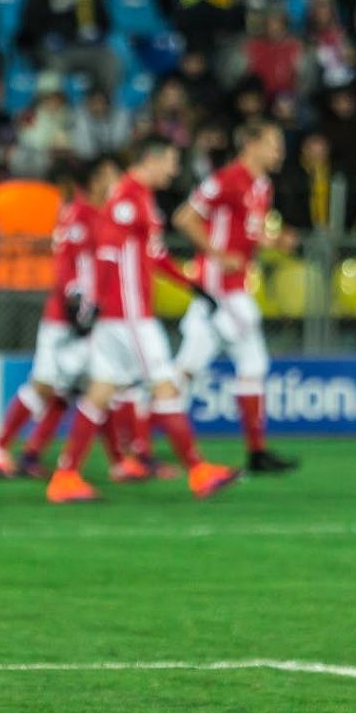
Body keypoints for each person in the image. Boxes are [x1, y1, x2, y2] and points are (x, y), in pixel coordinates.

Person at [45, 137, 238, 504]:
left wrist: (191, 286)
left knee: (101, 391)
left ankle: (65, 476)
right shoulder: (128, 197)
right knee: (165, 386)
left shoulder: (138, 197)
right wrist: (95, 303)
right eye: (171, 162)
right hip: (128, 316)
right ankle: (198, 470)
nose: (174, 170)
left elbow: (154, 254)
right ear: (152, 159)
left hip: (118, 316)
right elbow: (106, 252)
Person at [0, 155, 119, 478]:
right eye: (111, 176)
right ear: (96, 180)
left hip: (81, 318)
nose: (116, 183)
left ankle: (31, 454)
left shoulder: (94, 214)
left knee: (74, 388)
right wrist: (75, 305)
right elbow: (66, 266)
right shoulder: (79, 215)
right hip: (65, 320)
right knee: (48, 385)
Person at [170, 120, 298, 473]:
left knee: (193, 369)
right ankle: (133, 443)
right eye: (273, 143)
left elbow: (248, 233)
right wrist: (216, 253)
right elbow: (184, 217)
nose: (279, 151)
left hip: (232, 290)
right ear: (251, 144)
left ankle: (256, 452)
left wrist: (275, 241)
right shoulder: (227, 179)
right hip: (218, 290)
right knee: (240, 364)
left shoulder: (262, 186)